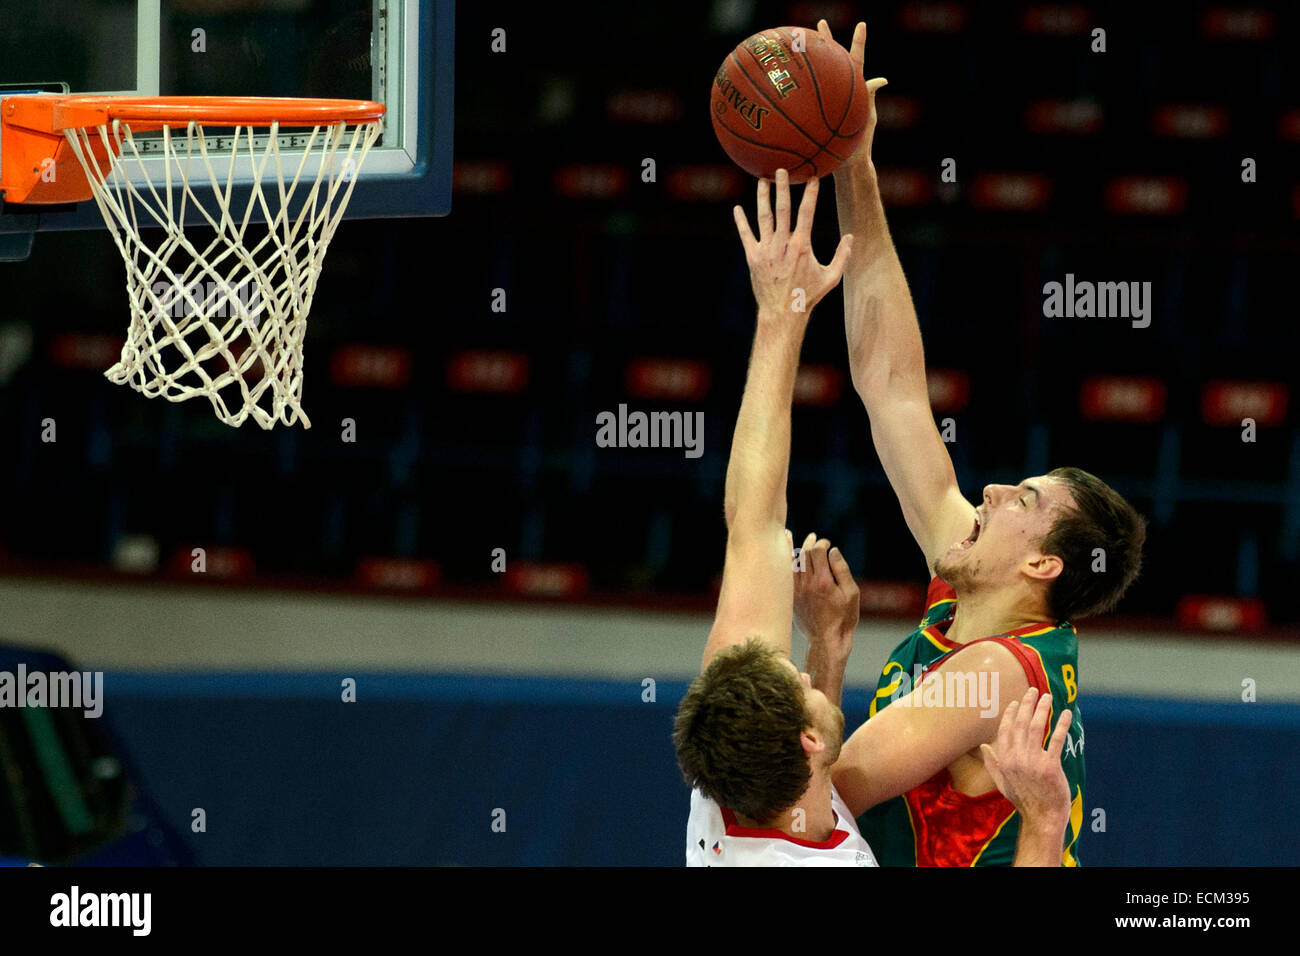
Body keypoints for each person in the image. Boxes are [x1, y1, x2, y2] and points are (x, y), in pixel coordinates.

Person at [672, 169, 1072, 866]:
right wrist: (1044, 822)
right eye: (801, 683)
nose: (799, 672)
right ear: (811, 742)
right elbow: (754, 519)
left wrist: (781, 316)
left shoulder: (734, 787)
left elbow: (756, 522)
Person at [818, 19, 1146, 865]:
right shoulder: (968, 595)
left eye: (1023, 502)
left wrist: (822, 653)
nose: (993, 490)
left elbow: (825, 791)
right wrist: (856, 168)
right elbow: (890, 388)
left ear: (1042, 567)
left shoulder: (998, 672)